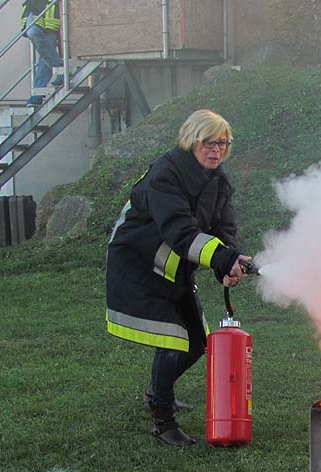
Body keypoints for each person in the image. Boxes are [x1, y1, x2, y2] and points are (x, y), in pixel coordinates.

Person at [106, 109, 249, 446]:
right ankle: (163, 420)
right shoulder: (166, 174)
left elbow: (223, 230)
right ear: (191, 141)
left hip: (175, 266)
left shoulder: (218, 182)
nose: (216, 151)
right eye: (209, 143)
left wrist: (227, 263)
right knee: (172, 341)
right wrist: (224, 258)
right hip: (140, 264)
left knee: (198, 342)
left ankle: (158, 391)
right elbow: (179, 230)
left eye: (223, 144)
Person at [21, 0, 63, 106]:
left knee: (46, 51)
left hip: (52, 12)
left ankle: (37, 94)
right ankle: (60, 68)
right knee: (32, 32)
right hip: (36, 8)